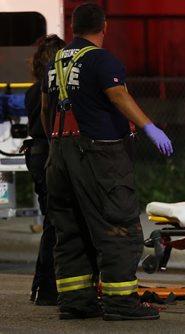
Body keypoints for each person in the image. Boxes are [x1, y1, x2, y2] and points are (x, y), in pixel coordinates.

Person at [41, 3, 173, 320]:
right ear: (104, 26)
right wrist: (149, 127)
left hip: (59, 154)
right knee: (118, 227)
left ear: (73, 28)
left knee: (71, 230)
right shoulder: (101, 59)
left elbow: (47, 110)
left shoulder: (54, 62)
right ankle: (121, 302)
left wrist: (55, 147)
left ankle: (75, 302)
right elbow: (117, 95)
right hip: (98, 156)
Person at [23, 34, 66, 306]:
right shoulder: (50, 91)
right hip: (49, 154)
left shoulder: (33, 90)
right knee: (56, 225)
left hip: (36, 155)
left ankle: (41, 286)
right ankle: (47, 289)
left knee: (52, 222)